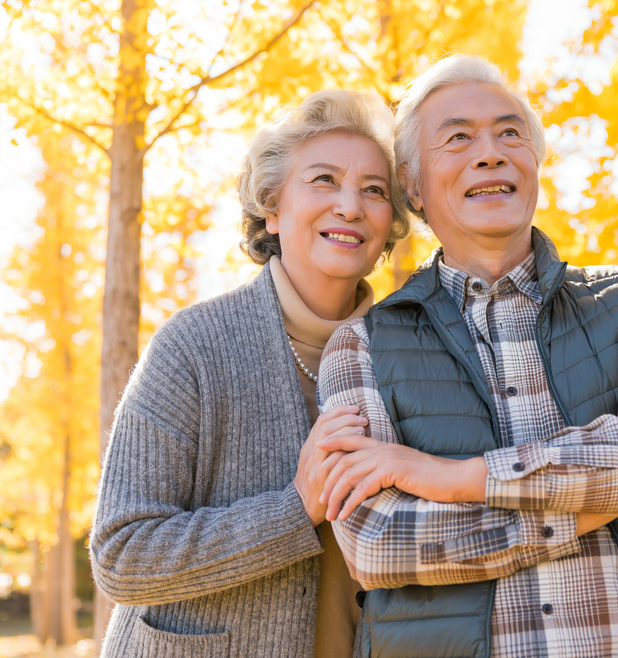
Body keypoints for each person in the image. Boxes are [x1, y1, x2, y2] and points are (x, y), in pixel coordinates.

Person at [316, 56, 618, 658]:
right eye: (457, 138)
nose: (490, 152)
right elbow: (379, 545)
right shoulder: (361, 345)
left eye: (510, 132)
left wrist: (455, 479)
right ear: (412, 185)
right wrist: (614, 479)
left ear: (535, 164)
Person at [89, 89, 410, 658]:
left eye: (375, 190)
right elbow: (121, 555)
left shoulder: (416, 352)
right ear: (271, 207)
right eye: (323, 180)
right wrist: (294, 509)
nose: (350, 206)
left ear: (391, 223)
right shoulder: (193, 346)